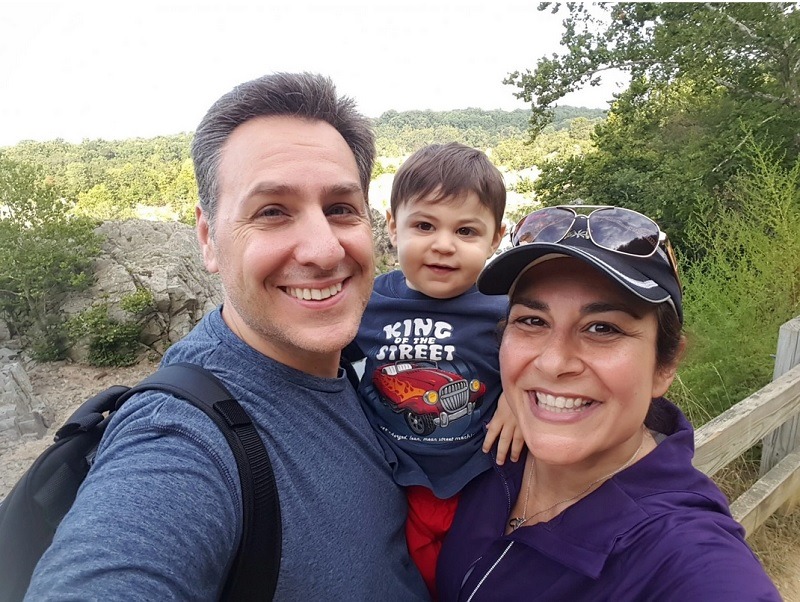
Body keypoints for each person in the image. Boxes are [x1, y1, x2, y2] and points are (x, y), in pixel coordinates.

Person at [25, 73, 429, 601]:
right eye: (272, 212)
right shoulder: (178, 437)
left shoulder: (366, 352)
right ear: (208, 239)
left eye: (340, 208)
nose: (324, 249)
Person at [436, 205, 782, 600]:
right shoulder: (484, 444)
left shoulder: (680, 556)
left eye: (603, 328)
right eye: (532, 321)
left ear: (664, 366)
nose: (552, 363)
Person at [347, 142, 521, 598]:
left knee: (478, 581)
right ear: (392, 226)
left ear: (495, 238)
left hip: (483, 480)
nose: (443, 245)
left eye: (466, 231)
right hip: (390, 484)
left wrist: (518, 399)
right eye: (424, 225)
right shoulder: (365, 304)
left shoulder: (504, 310)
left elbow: (539, 363)